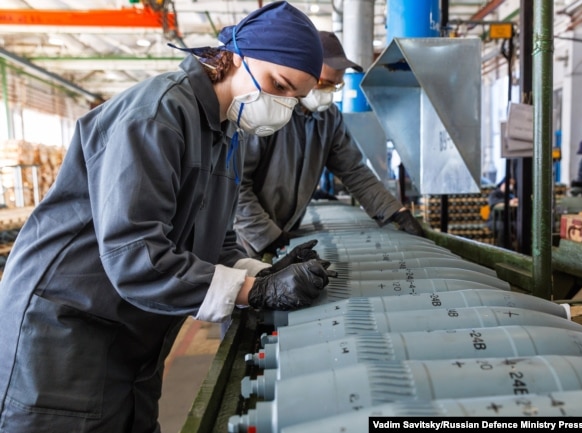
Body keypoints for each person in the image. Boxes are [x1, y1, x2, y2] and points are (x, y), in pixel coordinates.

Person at [0, 3, 335, 432]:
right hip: (68, 331)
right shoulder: (157, 115)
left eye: (294, 97)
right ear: (234, 57)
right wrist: (255, 293)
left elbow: (213, 241)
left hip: (132, 328)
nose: (283, 106)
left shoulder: (224, 132)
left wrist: (265, 273)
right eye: (278, 85)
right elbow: (134, 253)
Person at [234, 31, 425, 260]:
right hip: (242, 237)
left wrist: (395, 211)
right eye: (324, 84)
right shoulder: (269, 111)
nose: (328, 94)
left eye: (335, 86)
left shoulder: (329, 119)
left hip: (281, 233)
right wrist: (267, 235)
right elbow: (235, 185)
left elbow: (353, 171)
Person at [486, 177, 518, 247]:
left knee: (519, 226)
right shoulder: (495, 193)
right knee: (503, 227)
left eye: (512, 184)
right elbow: (493, 203)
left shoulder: (512, 195)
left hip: (509, 221)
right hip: (495, 221)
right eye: (509, 184)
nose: (511, 186)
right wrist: (509, 203)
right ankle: (503, 249)